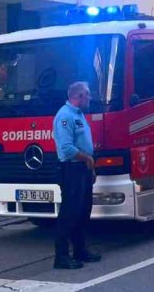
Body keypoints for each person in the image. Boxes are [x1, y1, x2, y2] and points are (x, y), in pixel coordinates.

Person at [52, 81, 101, 270]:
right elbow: (65, 149)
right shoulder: (64, 116)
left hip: (83, 169)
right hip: (71, 169)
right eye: (87, 94)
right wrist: (87, 159)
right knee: (69, 213)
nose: (90, 98)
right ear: (78, 96)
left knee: (83, 211)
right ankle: (61, 257)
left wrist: (91, 167)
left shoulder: (79, 115)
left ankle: (80, 250)